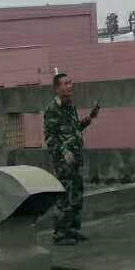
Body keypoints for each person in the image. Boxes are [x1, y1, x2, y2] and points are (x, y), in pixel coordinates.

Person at [43, 73, 100, 244]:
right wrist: (64, 151)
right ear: (57, 88)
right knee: (64, 195)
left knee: (76, 194)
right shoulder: (52, 109)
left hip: (76, 157)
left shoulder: (70, 107)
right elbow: (50, 137)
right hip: (63, 161)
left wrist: (89, 119)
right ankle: (60, 234)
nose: (70, 86)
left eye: (70, 83)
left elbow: (74, 129)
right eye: (66, 83)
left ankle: (72, 230)